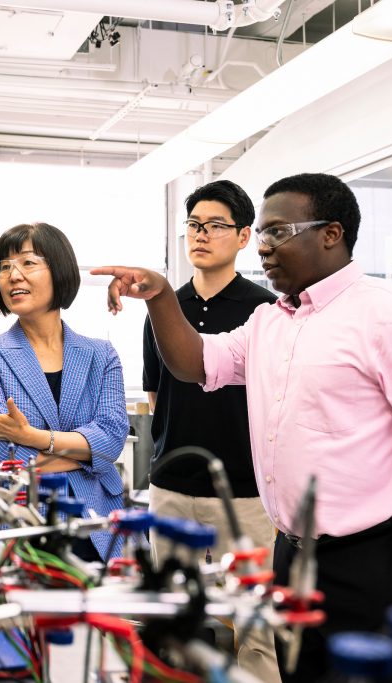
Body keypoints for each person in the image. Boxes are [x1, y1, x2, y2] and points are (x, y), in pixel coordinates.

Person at [93, 173, 392, 682]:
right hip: (294, 554)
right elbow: (196, 362)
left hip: (377, 559)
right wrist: (161, 295)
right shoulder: (270, 322)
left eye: (278, 232)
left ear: (331, 233)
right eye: (260, 234)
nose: (263, 247)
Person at [143, 180, 279, 681]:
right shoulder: (163, 308)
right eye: (194, 225)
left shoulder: (265, 311)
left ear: (244, 236)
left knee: (254, 623)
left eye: (216, 225)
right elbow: (157, 398)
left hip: (244, 494)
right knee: (172, 615)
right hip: (172, 489)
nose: (201, 235)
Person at [0, 222, 129, 562]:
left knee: (103, 612)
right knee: (22, 613)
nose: (12, 275)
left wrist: (29, 435)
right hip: (20, 517)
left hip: (97, 520)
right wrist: (84, 456)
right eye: (3, 266)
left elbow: (111, 439)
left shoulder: (100, 354)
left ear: (59, 270)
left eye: (27, 262)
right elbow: (1, 457)